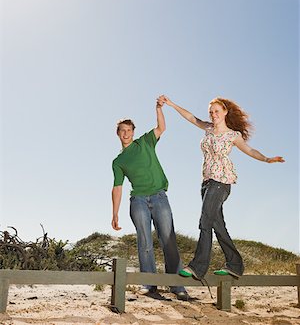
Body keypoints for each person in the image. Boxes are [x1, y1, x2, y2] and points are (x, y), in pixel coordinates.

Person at [159, 95, 285, 280]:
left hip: (221, 183)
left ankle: (198, 267)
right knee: (218, 226)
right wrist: (170, 104)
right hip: (207, 182)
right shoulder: (208, 129)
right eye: (211, 112)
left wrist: (266, 159)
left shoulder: (232, 135)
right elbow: (190, 117)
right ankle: (234, 265)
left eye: (217, 111)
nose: (213, 115)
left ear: (225, 112)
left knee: (205, 221)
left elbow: (250, 150)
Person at [111, 99, 189, 300]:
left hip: (159, 197)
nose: (126, 133)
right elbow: (117, 187)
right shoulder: (118, 161)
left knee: (168, 240)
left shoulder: (145, 141)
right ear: (118, 133)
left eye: (129, 129)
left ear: (133, 132)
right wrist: (115, 213)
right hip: (138, 201)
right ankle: (149, 284)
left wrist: (158, 109)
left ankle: (176, 285)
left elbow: (161, 127)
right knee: (144, 241)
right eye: (122, 130)